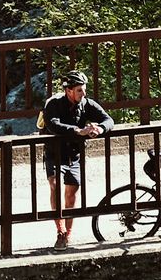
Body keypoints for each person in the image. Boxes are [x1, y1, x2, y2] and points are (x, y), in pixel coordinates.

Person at [37, 67, 115, 248]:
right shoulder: (53, 103)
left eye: (84, 89)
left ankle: (68, 234)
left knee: (72, 193)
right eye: (79, 90)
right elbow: (53, 124)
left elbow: (108, 119)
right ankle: (60, 230)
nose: (83, 92)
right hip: (55, 152)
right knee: (55, 185)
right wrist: (78, 131)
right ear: (68, 90)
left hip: (74, 154)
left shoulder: (87, 104)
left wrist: (99, 129)